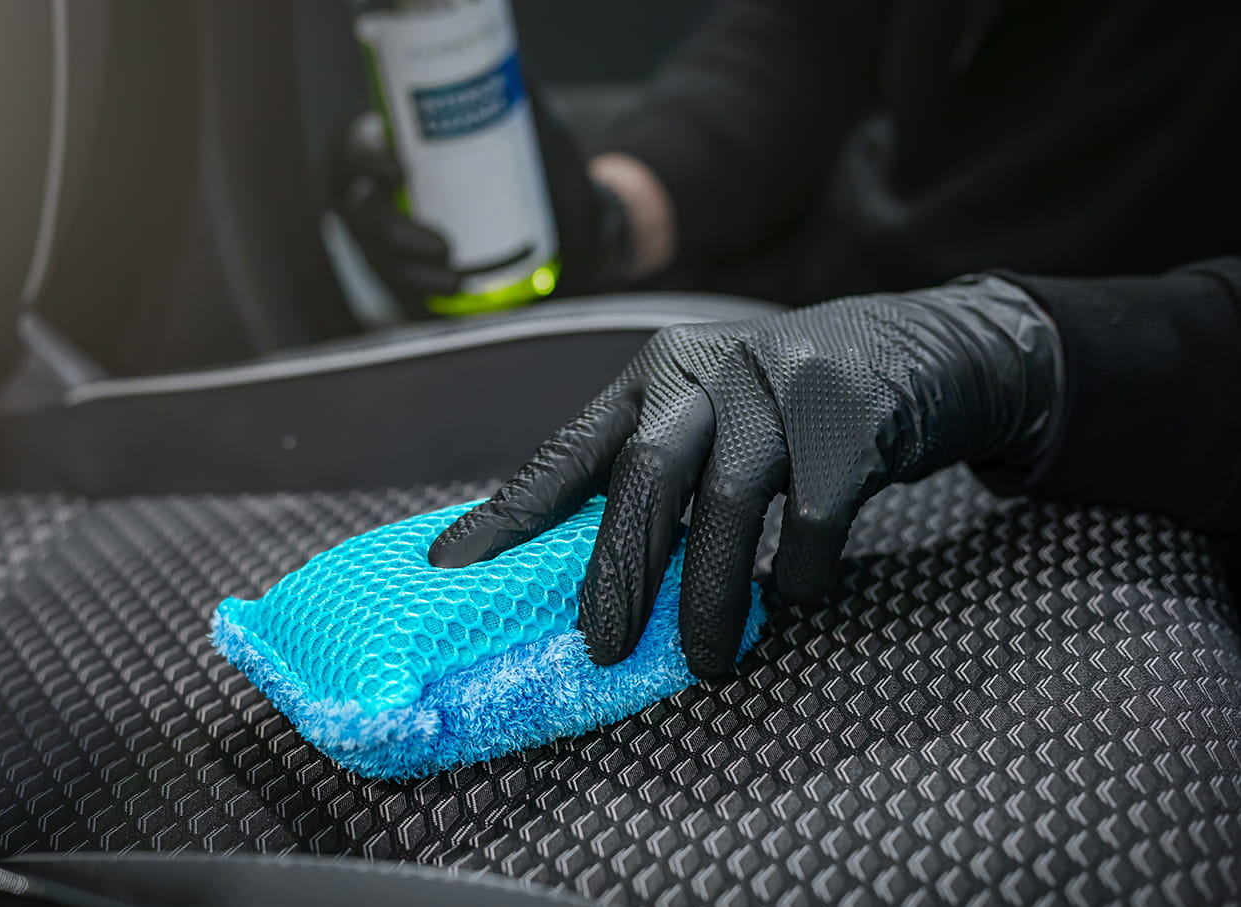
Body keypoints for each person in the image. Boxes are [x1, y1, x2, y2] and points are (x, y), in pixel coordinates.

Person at [336, 1, 1241, 677]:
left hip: (1126, 422)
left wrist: (1024, 351)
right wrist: (626, 213)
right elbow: (819, 29)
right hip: (810, 309)